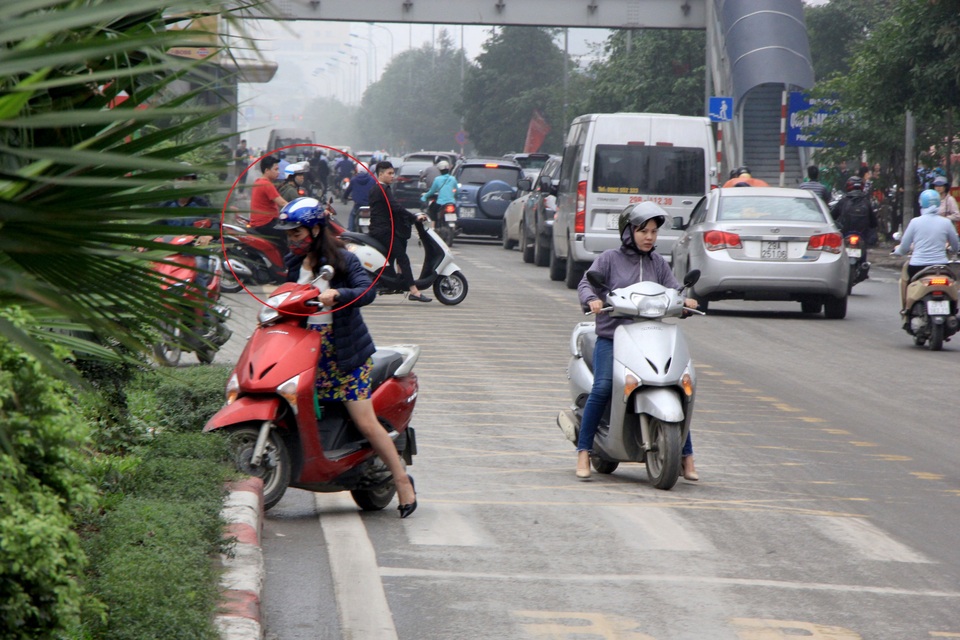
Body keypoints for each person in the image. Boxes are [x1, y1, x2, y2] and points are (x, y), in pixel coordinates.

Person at [274, 197, 418, 518]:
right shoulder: (294, 262)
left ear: (314, 229)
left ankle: (401, 480)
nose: (291, 240)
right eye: (288, 234)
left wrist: (340, 294)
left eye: (296, 233)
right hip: (305, 356)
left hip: (344, 356)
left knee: (364, 421)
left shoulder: (343, 258)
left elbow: (367, 291)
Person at [575, 202, 700, 481]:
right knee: (604, 387)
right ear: (628, 231)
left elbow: (674, 289)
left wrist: (685, 301)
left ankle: (686, 455)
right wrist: (592, 299)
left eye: (654, 232)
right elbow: (586, 283)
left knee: (677, 386)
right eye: (643, 231)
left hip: (650, 338)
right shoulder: (609, 259)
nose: (649, 237)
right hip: (614, 338)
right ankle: (584, 451)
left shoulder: (658, 263)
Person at [368, 161, 432, 302]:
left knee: (392, 256)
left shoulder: (377, 188)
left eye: (393, 173)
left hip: (378, 229)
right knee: (402, 258)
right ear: (380, 174)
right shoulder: (383, 189)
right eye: (389, 173)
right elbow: (396, 207)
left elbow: (393, 208)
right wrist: (414, 216)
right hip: (383, 231)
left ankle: (396, 281)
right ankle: (414, 291)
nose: (393, 176)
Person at [892, 189, 960, 313]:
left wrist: (898, 251)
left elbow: (904, 247)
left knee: (905, 280)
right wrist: (952, 249)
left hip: (917, 266)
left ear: (921, 204)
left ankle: (906, 309)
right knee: (952, 282)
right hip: (941, 266)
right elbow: (956, 246)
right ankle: (953, 308)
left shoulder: (915, 222)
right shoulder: (946, 222)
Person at [250, 156, 289, 245]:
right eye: (275, 170)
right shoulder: (266, 184)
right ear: (267, 170)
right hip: (265, 224)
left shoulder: (258, 181)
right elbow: (282, 203)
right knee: (289, 234)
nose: (278, 173)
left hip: (260, 224)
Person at [419, 160, 457, 228]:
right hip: (451, 202)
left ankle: (433, 227)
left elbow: (432, 191)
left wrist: (424, 196)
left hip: (440, 203)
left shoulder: (437, 179)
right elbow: (457, 191)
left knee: (432, 210)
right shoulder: (453, 179)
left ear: (440, 170)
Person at [343, 166, 376, 232]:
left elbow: (348, 191)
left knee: (352, 216)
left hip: (358, 205)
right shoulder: (373, 180)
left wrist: (345, 197)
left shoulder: (353, 180)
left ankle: (350, 232)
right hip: (370, 205)